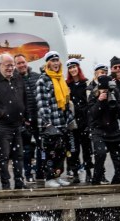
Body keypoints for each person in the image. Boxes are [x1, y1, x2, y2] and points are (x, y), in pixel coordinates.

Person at [0, 53, 27, 190]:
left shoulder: (17, 77)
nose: (11, 68)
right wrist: (1, 113)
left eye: (12, 65)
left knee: (19, 155)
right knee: (4, 157)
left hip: (18, 124)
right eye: (7, 65)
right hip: (2, 126)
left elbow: (24, 97)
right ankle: (6, 185)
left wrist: (25, 115)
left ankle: (19, 182)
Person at [36, 50, 74, 188]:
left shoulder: (61, 79)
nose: (55, 63)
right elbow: (42, 104)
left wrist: (69, 119)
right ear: (48, 63)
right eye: (52, 61)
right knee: (50, 153)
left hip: (62, 122)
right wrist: (48, 123)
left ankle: (57, 176)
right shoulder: (43, 80)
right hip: (50, 124)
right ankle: (48, 178)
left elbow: (66, 102)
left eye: (57, 60)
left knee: (61, 152)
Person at [88, 75, 120, 184]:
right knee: (101, 153)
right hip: (98, 130)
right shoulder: (94, 95)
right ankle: (96, 180)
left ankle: (117, 180)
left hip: (114, 130)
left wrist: (115, 102)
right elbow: (92, 114)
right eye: (103, 90)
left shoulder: (115, 92)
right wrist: (100, 101)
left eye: (107, 90)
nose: (105, 92)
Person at [15, 54, 42, 181]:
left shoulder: (37, 76)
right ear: (15, 65)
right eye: (18, 63)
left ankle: (40, 172)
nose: (21, 65)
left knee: (41, 146)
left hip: (39, 119)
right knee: (26, 149)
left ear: (27, 62)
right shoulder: (14, 79)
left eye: (23, 62)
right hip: (24, 121)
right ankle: (28, 174)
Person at [65, 58, 93, 184]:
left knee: (87, 149)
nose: (73, 70)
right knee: (74, 150)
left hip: (84, 121)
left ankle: (88, 172)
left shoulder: (85, 83)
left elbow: (89, 102)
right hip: (73, 123)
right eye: (70, 68)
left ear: (78, 68)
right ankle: (75, 172)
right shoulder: (67, 85)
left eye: (74, 67)